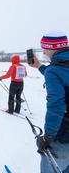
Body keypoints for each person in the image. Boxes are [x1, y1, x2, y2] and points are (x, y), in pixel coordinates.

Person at [29, 32, 69, 173]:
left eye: (44, 48)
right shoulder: (57, 68)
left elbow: (56, 104)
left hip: (64, 133)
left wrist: (48, 137)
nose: (44, 52)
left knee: (51, 166)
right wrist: (40, 67)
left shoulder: (54, 71)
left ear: (53, 48)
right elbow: (63, 75)